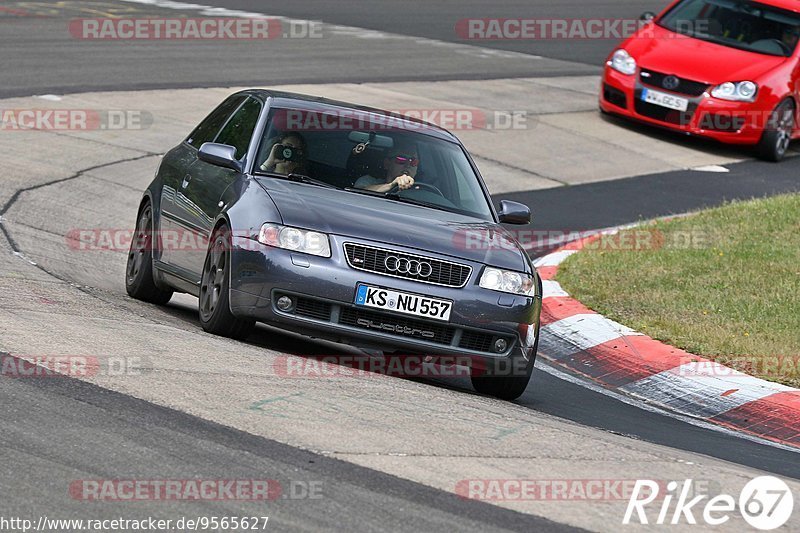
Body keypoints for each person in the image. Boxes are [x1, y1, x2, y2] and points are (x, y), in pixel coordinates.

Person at [354, 142, 419, 193]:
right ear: (387, 164)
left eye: (413, 162)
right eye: (401, 160)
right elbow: (357, 193)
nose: (408, 165)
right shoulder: (368, 181)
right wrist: (391, 185)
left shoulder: (422, 191)